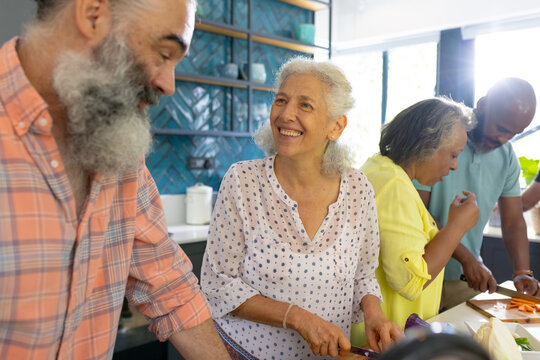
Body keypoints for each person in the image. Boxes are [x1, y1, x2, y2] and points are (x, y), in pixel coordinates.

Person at [0, 0, 231, 359]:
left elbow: (169, 286)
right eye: (163, 52)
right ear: (92, 14)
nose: (168, 84)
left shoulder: (119, 151)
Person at [200, 57, 403, 359]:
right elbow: (217, 284)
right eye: (281, 100)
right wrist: (297, 317)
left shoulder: (358, 188)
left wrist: (374, 314)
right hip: (246, 354)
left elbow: (363, 274)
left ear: (336, 126)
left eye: (305, 105)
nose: (285, 114)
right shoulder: (243, 181)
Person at [353, 98, 479, 341]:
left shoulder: (381, 170)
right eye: (453, 154)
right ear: (426, 145)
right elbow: (410, 281)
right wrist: (457, 226)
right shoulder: (393, 185)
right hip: (386, 339)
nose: (454, 166)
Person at [415, 78, 540, 311]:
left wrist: (522, 271)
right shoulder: (438, 138)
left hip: (463, 278)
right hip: (419, 272)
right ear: (482, 106)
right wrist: (467, 258)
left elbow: (513, 221)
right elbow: (418, 213)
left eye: (513, 133)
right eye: (501, 128)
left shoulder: (507, 156)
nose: (503, 139)